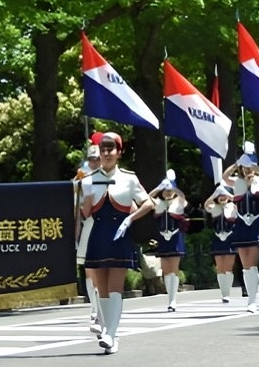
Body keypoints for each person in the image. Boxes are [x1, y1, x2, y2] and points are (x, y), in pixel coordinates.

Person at [80, 132, 155, 354]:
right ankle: (108, 331)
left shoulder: (129, 178)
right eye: (103, 149)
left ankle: (111, 335)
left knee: (115, 287)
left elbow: (148, 203)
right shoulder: (88, 180)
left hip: (119, 235)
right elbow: (85, 214)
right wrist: (83, 193)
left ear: (119, 152)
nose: (106, 153)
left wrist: (130, 219)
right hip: (98, 234)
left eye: (111, 149)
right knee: (101, 288)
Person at [222, 141, 259, 313]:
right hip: (241, 222)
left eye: (249, 166)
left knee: (252, 262)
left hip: (256, 222)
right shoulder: (236, 182)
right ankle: (250, 295)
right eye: (245, 166)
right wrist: (237, 163)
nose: (247, 169)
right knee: (245, 264)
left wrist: (254, 167)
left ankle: (252, 300)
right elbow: (224, 177)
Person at [147, 169, 188, 312]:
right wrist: (158, 188)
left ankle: (173, 300)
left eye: (170, 190)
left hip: (175, 237)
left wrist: (174, 188)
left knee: (174, 269)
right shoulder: (158, 203)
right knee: (166, 270)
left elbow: (183, 199)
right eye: (165, 190)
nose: (167, 193)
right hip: (163, 238)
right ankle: (169, 298)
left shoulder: (178, 202)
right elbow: (147, 199)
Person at [74, 144, 102, 335]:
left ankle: (101, 310)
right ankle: (94, 308)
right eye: (92, 159)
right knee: (88, 270)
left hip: (103, 225)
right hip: (88, 225)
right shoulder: (82, 179)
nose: (95, 163)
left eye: (97, 159)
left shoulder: (109, 178)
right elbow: (76, 207)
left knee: (102, 271)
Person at [204, 183, 237, 303]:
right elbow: (206, 205)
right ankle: (223, 293)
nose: (222, 197)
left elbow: (238, 200)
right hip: (218, 237)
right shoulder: (214, 207)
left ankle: (227, 292)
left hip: (230, 238)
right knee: (220, 266)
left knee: (228, 267)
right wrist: (215, 193)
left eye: (224, 195)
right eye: (220, 195)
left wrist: (228, 194)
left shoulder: (233, 207)